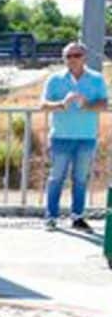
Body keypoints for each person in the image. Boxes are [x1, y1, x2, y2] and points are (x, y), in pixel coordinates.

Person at [40, 41, 107, 232]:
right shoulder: (55, 79)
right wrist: (61, 104)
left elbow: (104, 104)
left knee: (80, 179)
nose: (72, 60)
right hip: (60, 137)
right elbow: (43, 105)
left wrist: (87, 105)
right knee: (56, 178)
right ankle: (51, 217)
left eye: (76, 55)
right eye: (68, 56)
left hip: (86, 137)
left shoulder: (96, 79)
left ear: (84, 57)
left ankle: (77, 217)